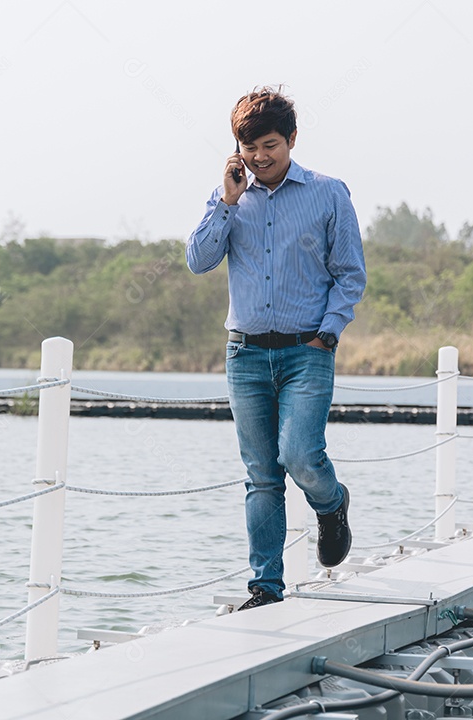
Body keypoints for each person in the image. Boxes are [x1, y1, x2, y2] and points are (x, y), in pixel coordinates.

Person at [185, 87, 366, 611]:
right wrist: (226, 201)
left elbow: (349, 274)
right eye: (249, 147)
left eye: (269, 146)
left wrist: (327, 332)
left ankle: (331, 504)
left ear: (290, 139)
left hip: (306, 351)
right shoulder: (228, 197)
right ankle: (265, 588)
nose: (259, 157)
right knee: (262, 476)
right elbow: (198, 261)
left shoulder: (329, 193)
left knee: (299, 455)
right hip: (244, 355)